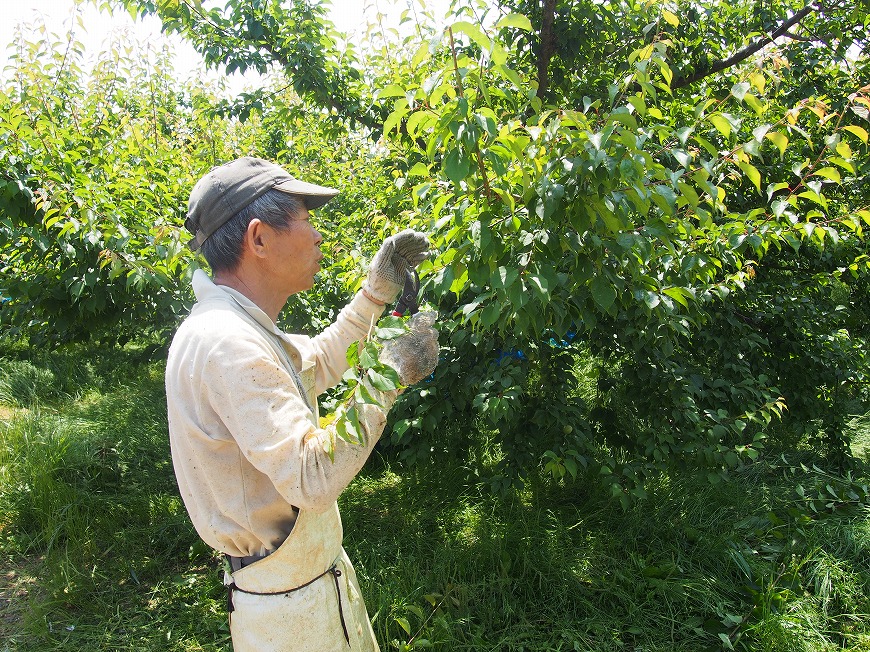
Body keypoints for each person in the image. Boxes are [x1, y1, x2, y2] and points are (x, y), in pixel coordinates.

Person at [164, 156, 439, 651]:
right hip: (290, 616)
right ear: (259, 238)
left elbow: (324, 359)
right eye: (306, 220)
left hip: (303, 592)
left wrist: (375, 293)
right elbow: (312, 477)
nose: (317, 237)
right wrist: (391, 374)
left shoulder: (240, 328)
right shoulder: (228, 344)